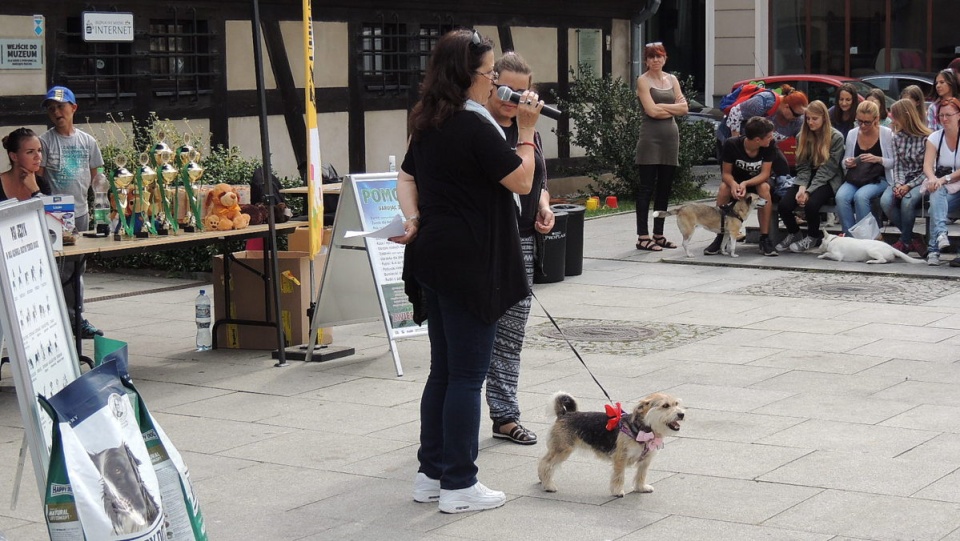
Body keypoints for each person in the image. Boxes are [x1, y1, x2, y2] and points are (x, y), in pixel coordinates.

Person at [389, 29, 542, 513]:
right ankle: (459, 483)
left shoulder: (429, 120)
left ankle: (430, 474)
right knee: (467, 376)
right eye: (489, 73)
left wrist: (412, 217)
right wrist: (525, 132)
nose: (495, 82)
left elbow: (407, 176)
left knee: (444, 371)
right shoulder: (475, 126)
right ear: (467, 76)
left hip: (435, 256)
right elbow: (521, 180)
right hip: (472, 261)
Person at [482, 51, 554, 446]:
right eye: (508, 90)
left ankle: (505, 415)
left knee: (512, 331)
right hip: (489, 242)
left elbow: (538, 178)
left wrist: (544, 204)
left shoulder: (529, 129)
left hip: (524, 238)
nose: (515, 100)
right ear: (491, 84)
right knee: (480, 332)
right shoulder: (479, 126)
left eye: (524, 93)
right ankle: (459, 412)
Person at [38, 86, 105, 339]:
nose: (56, 112)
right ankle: (69, 319)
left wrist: (101, 206)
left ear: (74, 108)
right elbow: (40, 179)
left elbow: (97, 177)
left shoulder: (87, 141)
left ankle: (74, 317)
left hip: (82, 213)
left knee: (78, 269)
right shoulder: (45, 142)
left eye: (61, 107)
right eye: (51, 109)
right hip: (56, 216)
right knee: (61, 270)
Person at [633, 42, 687, 251]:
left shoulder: (672, 79)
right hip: (650, 140)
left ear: (665, 58)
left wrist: (663, 107)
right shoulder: (643, 81)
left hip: (670, 140)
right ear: (646, 60)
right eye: (651, 56)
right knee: (646, 189)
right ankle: (643, 236)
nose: (656, 60)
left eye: (659, 56)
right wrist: (673, 108)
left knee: (664, 190)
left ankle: (658, 233)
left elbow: (684, 108)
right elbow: (651, 112)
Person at [774, 101, 844, 253]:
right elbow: (802, 166)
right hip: (807, 176)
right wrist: (802, 187)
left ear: (824, 118)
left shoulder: (836, 137)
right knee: (784, 205)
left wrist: (809, 191)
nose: (810, 122)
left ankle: (813, 236)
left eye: (814, 118)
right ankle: (794, 233)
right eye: (808, 118)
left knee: (811, 204)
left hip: (829, 178)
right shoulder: (802, 136)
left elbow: (829, 169)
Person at [706, 116, 778, 256]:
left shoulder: (769, 146)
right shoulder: (731, 144)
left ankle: (764, 237)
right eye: (768, 136)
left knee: (764, 188)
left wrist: (745, 183)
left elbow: (765, 174)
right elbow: (726, 173)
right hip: (736, 181)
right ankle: (720, 235)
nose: (772, 138)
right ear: (757, 140)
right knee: (723, 188)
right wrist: (734, 184)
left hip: (756, 181)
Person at [880, 99, 932, 257]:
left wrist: (909, 186)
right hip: (903, 179)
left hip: (922, 180)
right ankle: (913, 238)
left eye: (895, 116)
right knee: (886, 201)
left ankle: (905, 241)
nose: (893, 120)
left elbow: (928, 169)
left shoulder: (927, 138)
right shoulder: (897, 138)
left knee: (908, 202)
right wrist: (898, 185)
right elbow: (898, 166)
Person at [837, 100, 894, 235]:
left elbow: (894, 162)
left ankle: (867, 237)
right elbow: (844, 160)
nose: (862, 125)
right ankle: (850, 237)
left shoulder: (886, 134)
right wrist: (848, 162)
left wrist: (878, 159)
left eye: (867, 122)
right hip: (856, 177)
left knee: (861, 197)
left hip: (878, 178)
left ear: (876, 119)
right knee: (841, 197)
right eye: (859, 121)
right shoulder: (853, 133)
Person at [921, 97, 960, 266]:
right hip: (945, 188)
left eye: (948, 115)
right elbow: (927, 165)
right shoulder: (935, 137)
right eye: (941, 116)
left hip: (955, 184)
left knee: (935, 203)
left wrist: (945, 179)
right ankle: (940, 237)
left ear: (958, 115)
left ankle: (933, 249)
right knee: (935, 192)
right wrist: (932, 179)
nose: (944, 119)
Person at [2, 128, 52, 201]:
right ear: (14, 156)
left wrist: (35, 190)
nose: (38, 156)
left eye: (39, 150)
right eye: (30, 152)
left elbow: (48, 211)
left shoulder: (42, 183)